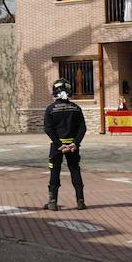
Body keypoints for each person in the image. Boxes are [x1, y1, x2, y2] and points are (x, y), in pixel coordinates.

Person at [43, 78, 88, 211]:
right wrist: (75, 143)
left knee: (54, 172)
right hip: (73, 147)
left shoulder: (51, 109)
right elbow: (82, 128)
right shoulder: (76, 108)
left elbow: (48, 128)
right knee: (75, 170)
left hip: (57, 147)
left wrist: (58, 144)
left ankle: (52, 202)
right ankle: (80, 201)